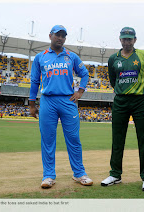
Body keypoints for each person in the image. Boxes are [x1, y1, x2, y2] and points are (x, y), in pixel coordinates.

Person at [29, 25, 93, 189]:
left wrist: (80, 92)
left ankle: (79, 173)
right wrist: (31, 104)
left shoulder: (71, 56)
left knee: (73, 139)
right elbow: (35, 81)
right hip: (47, 101)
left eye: (63, 36)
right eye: (57, 35)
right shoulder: (40, 57)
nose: (60, 38)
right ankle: (48, 176)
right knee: (48, 140)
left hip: (68, 101)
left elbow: (85, 74)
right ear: (50, 36)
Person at [101, 27, 144, 192]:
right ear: (120, 39)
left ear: (135, 40)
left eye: (130, 39)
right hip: (120, 101)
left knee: (143, 139)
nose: (127, 42)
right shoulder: (113, 59)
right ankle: (115, 174)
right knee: (117, 139)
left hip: (139, 101)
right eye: (124, 39)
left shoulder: (143, 56)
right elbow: (113, 80)